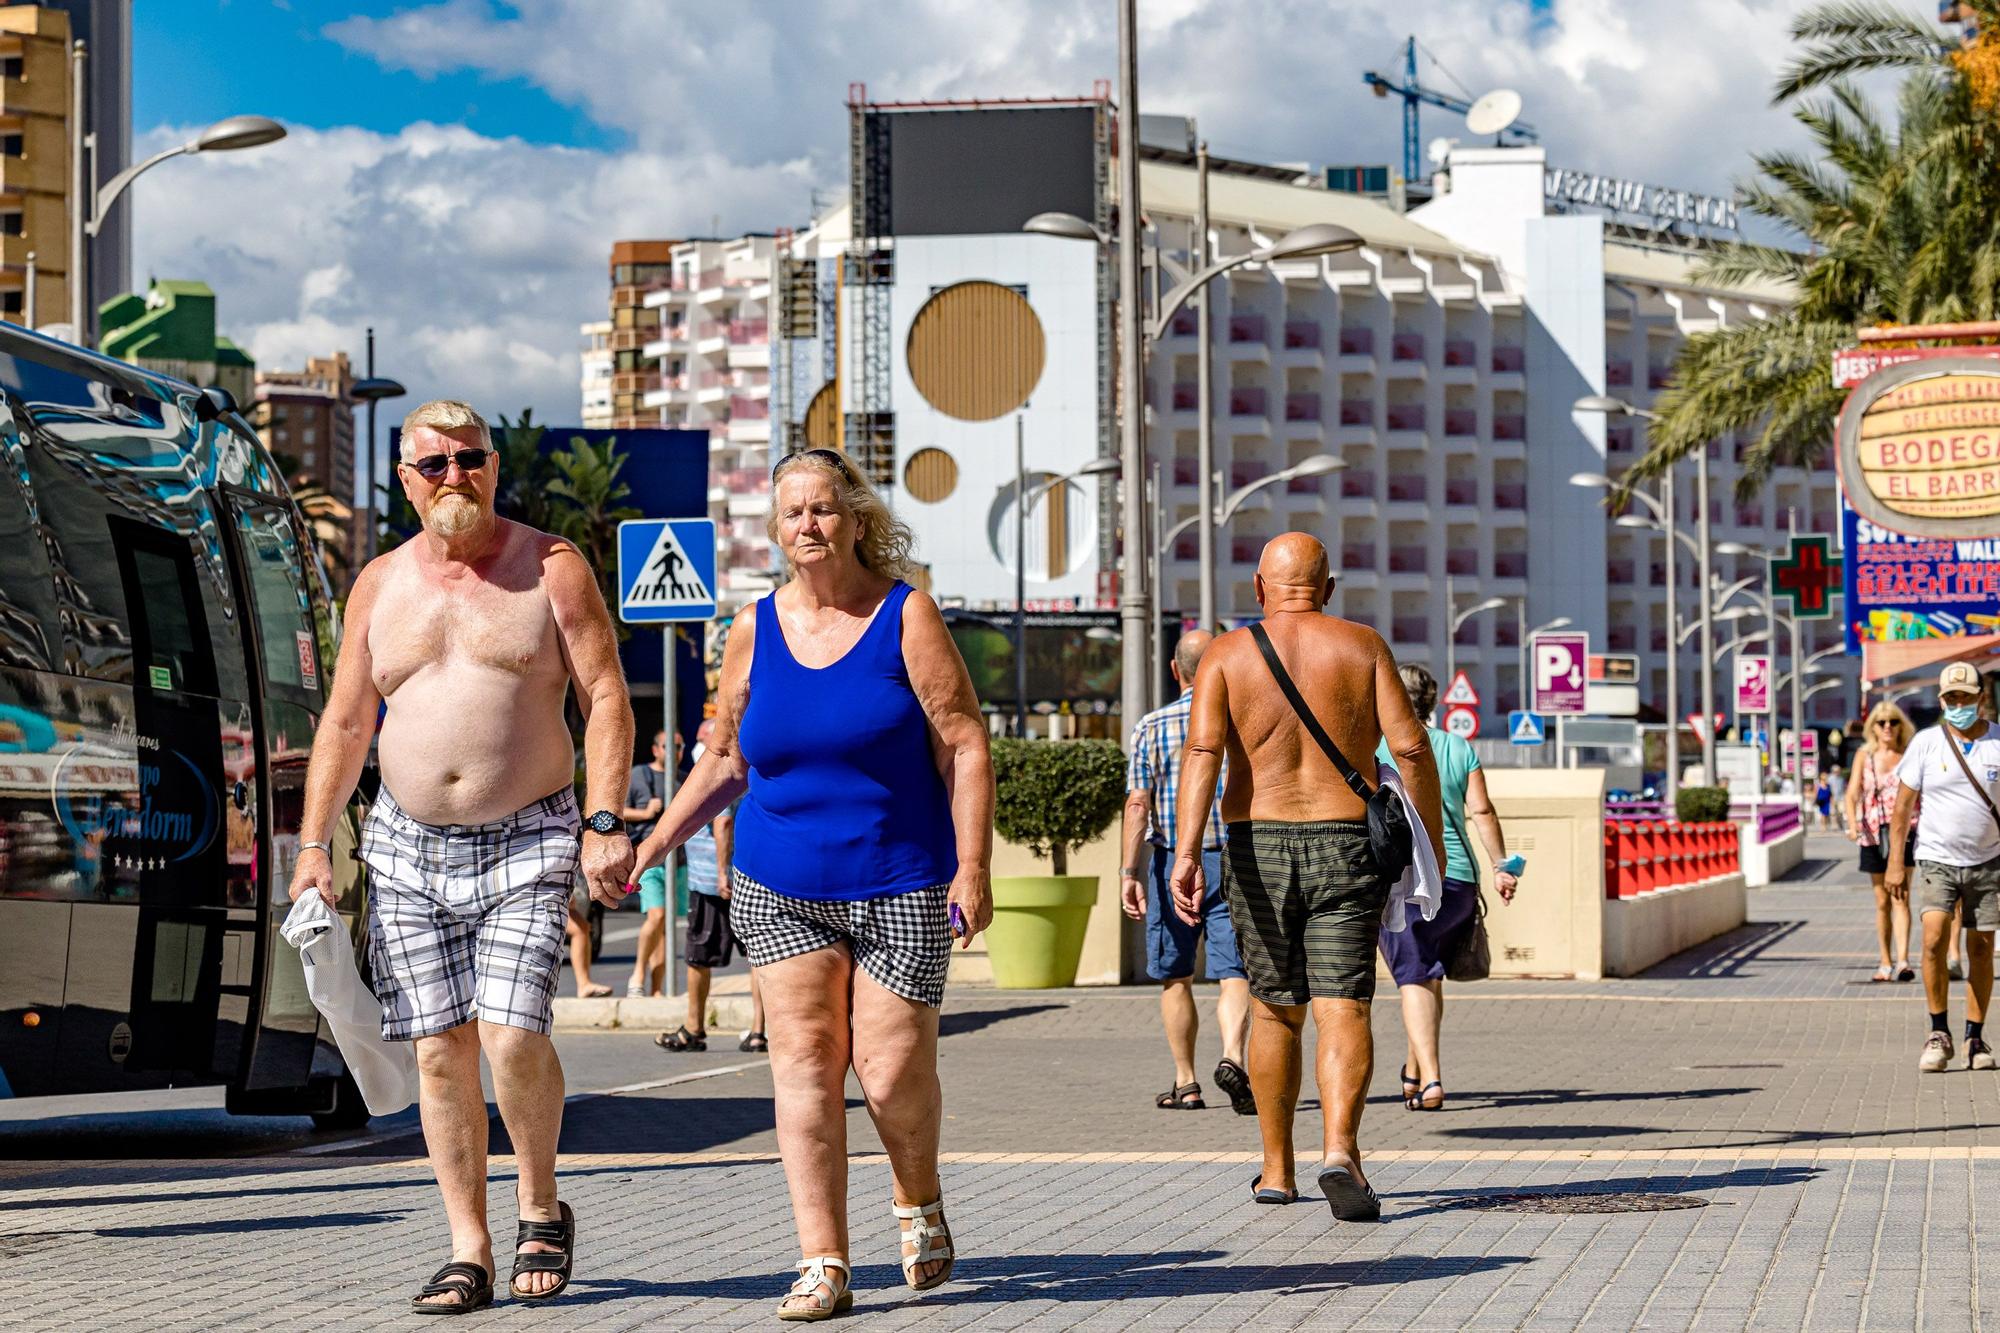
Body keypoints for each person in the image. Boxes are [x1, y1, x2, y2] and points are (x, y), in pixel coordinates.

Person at [630, 448, 993, 1318]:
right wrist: (658, 837)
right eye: (792, 513)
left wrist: (973, 865)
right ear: (777, 530)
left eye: (824, 508)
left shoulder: (906, 617)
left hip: (900, 877)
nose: (808, 525)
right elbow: (723, 754)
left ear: (857, 519)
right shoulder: (752, 627)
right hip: (777, 878)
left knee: (890, 1066)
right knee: (801, 1061)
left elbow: (966, 742)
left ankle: (919, 1199)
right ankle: (823, 1260)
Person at [290, 400, 635, 1310]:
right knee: (442, 1052)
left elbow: (604, 696)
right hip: (405, 842)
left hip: (529, 832)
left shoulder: (551, 568)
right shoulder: (378, 584)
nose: (454, 477)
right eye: (433, 464)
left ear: (493, 467)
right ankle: (468, 1246)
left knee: (513, 1032)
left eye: (470, 459)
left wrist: (605, 820)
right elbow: (347, 720)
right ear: (405, 480)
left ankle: (540, 1205)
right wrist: (314, 844)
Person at [1171, 532, 1443, 1222]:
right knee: (1342, 1004)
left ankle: (1275, 1167)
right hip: (1343, 841)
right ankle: (1341, 1151)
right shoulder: (1362, 646)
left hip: (1254, 843)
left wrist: (1183, 850)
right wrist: (1429, 845)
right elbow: (1410, 746)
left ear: (1259, 589)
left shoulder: (1228, 656)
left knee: (1272, 1008)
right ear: (1329, 586)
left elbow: (1202, 749)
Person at [1375, 664, 1518, 1112]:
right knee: (1429, 971)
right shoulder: (1457, 746)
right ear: (1433, 701)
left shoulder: (1376, 746)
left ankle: (1432, 1079)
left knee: (1413, 976)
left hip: (1407, 877)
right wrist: (1501, 866)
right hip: (1458, 880)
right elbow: (1483, 812)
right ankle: (1413, 1070)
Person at [1120, 629, 1251, 1115]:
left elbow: (1138, 805)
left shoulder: (1151, 727)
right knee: (1234, 971)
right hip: (1236, 858)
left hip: (1172, 860)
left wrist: (1129, 871)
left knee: (1175, 975)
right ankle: (1234, 1056)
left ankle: (1187, 1082)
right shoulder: (1239, 721)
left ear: (1176, 670)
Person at [1887, 662, 2000, 1073]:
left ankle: (1975, 1036)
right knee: (1933, 937)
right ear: (1941, 700)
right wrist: (1896, 863)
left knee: (1982, 948)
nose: (1958, 705)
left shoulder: (1998, 743)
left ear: (1981, 699)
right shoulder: (1926, 743)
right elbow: (1902, 809)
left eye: (1966, 698)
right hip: (1936, 858)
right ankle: (1939, 1032)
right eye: (1951, 698)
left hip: (1989, 860)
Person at [656, 763, 769, 1053]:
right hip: (750, 876)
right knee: (757, 957)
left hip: (712, 882)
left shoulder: (724, 772)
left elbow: (723, 822)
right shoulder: (753, 771)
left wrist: (722, 872)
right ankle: (758, 1030)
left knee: (698, 958)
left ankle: (694, 1027)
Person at [1847, 702, 1918, 983]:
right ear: (1873, 727)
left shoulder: (1909, 755)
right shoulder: (1864, 756)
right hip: (1873, 834)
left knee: (1901, 896)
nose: (1887, 727)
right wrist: (1852, 825)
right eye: (1881, 722)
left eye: (1893, 722)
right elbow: (1852, 792)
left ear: (1902, 725)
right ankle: (1885, 961)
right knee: (1881, 901)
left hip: (1906, 832)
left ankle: (1903, 961)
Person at [624, 729, 675, 997]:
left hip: (677, 860)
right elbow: (616, 810)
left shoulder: (681, 780)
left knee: (665, 927)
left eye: (678, 747)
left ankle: (656, 989)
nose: (674, 752)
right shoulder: (639, 775)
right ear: (656, 749)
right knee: (657, 916)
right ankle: (638, 973)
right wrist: (644, 812)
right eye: (668, 746)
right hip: (647, 858)